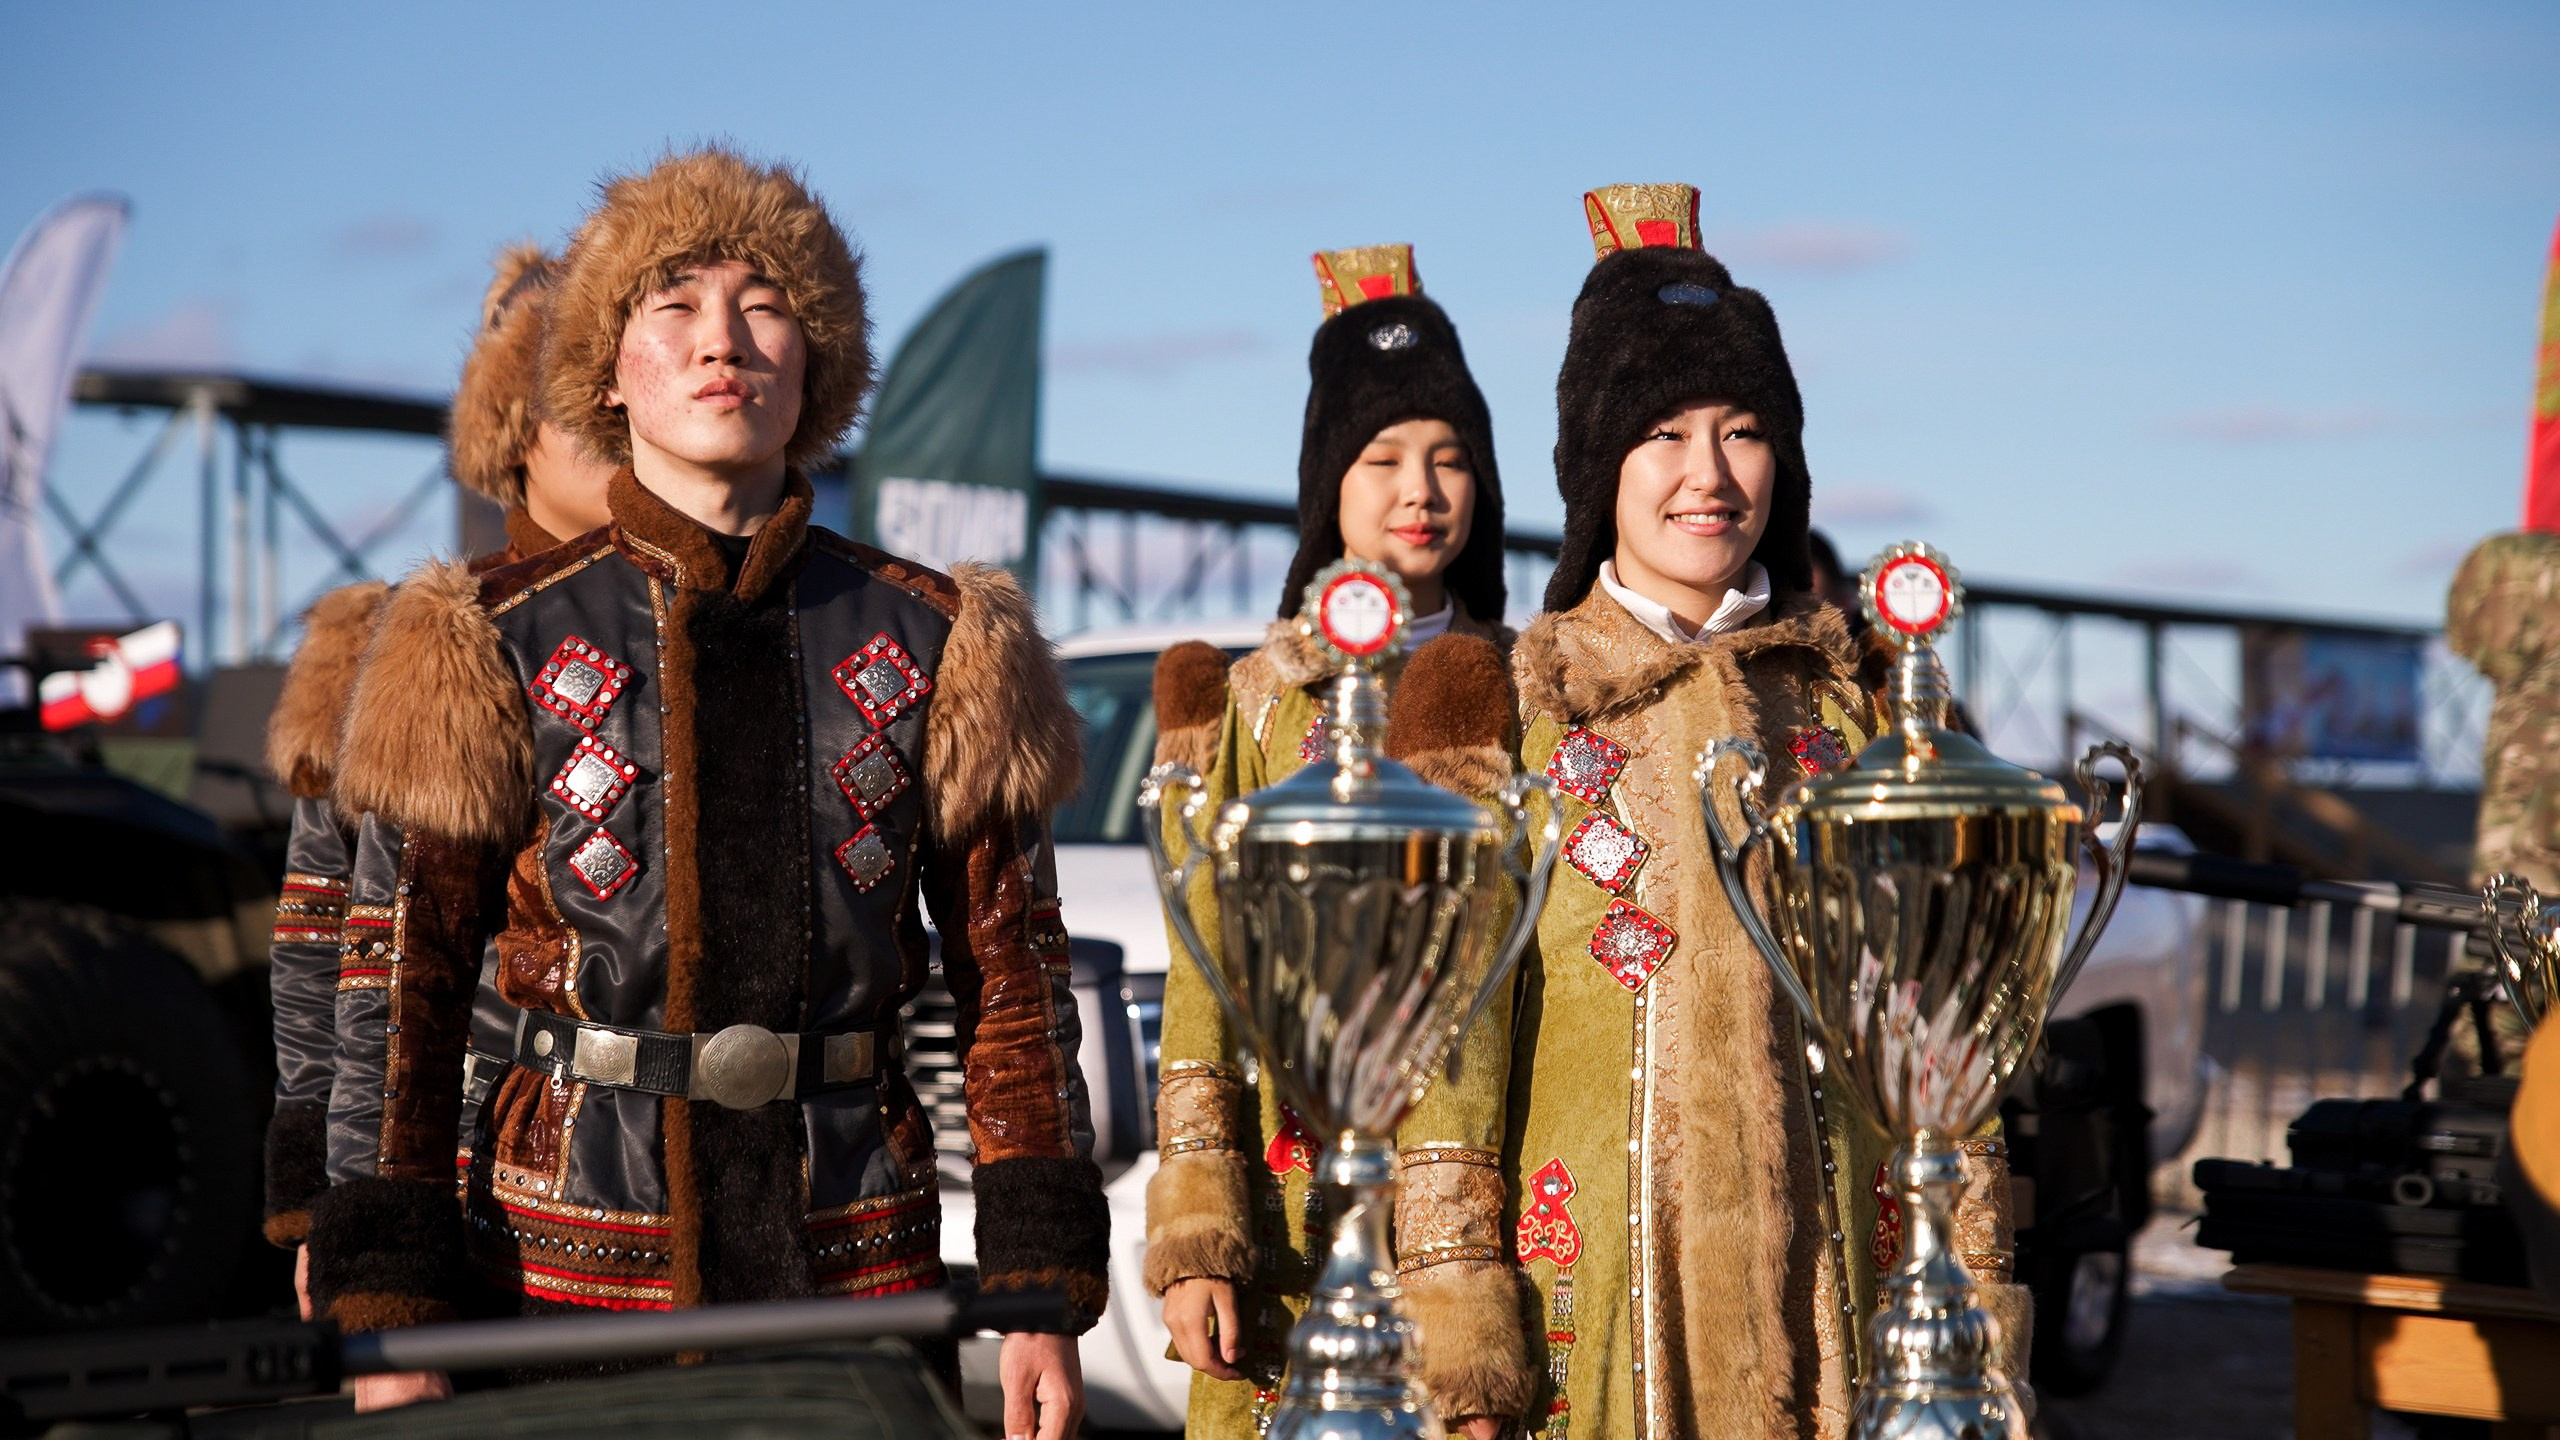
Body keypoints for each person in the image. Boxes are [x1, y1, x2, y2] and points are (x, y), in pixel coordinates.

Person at [306, 149, 1105, 1439]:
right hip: (564, 1267)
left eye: (766, 303)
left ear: (819, 362)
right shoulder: (480, 634)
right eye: (672, 304)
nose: (720, 340)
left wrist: (1036, 1286)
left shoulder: (941, 636)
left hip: (854, 1258)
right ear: (610, 369)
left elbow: (1012, 980)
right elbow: (403, 989)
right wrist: (383, 1302)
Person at [1500, 184, 2027, 1439]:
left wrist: (1971, 1272)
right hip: (1600, 1292)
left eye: (1741, 432)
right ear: (1594, 466)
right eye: (1664, 433)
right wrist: (1457, 1288)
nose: (1707, 475)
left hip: (1841, 1283)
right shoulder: (1520, 714)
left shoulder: (1858, 718)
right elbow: (1455, 1037)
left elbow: (1943, 1022)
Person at [1145, 245, 1530, 1438]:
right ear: (1328, 486)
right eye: (1383, 460)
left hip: (1497, 1177)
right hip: (1300, 1184)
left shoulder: (1533, 688)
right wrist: (1200, 1222)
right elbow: (1202, 965)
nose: (1422, 490)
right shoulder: (1262, 701)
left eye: (1451, 459)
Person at [261, 242, 615, 1302]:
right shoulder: (389, 639)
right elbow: (324, 949)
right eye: (579, 415)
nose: (617, 443)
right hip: (459, 1166)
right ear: (515, 435)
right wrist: (329, 1203)